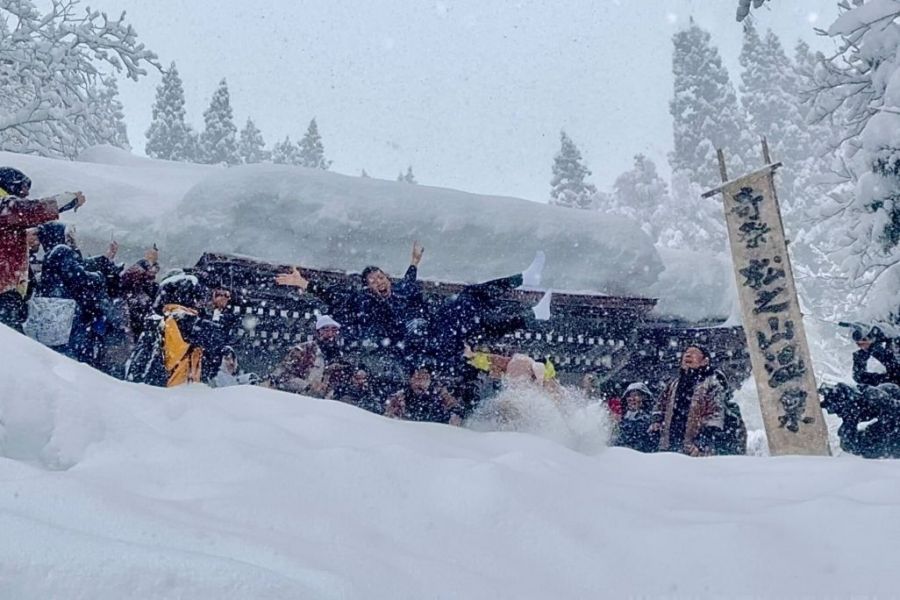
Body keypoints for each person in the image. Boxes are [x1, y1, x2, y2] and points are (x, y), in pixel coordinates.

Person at [0, 167, 85, 330]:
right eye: (22, 190)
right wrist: (69, 199)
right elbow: (31, 210)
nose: (25, 196)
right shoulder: (4, 206)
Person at [650, 344, 747, 456]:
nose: (688, 354)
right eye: (686, 352)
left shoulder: (711, 384)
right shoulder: (673, 384)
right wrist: (656, 422)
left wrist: (702, 441)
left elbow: (715, 414)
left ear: (704, 361)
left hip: (695, 449)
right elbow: (660, 406)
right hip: (669, 446)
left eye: (694, 353)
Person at [35, 222, 109, 363]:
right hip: (68, 310)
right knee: (72, 356)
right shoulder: (62, 250)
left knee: (56, 353)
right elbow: (77, 276)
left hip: (55, 309)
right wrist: (98, 276)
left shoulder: (50, 254)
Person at [268, 314, 349, 397]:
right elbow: (281, 377)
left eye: (334, 330)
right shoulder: (303, 350)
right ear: (318, 332)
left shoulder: (339, 357)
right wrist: (307, 387)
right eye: (326, 330)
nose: (330, 334)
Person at [384, 364, 464, 425]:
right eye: (416, 378)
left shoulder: (439, 392)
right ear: (410, 380)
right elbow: (390, 418)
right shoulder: (402, 396)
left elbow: (455, 406)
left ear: (429, 379)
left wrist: (455, 415)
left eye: (424, 378)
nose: (419, 383)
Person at [197, 284, 241, 383]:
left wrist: (226, 347)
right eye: (219, 295)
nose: (223, 298)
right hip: (202, 353)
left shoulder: (231, 316)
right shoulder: (202, 312)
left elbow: (233, 336)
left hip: (217, 356)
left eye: (226, 295)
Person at [614, 382, 659, 453]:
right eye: (629, 396)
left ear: (644, 398)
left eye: (636, 395)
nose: (632, 399)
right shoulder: (623, 418)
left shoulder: (649, 419)